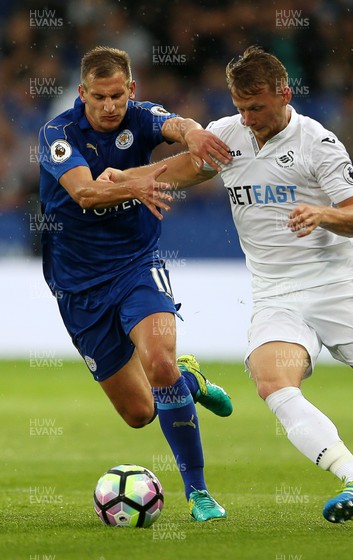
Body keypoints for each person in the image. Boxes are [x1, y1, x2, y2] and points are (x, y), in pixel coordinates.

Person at [100, 47, 353, 524]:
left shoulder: (317, 143)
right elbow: (172, 172)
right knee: (272, 382)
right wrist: (119, 179)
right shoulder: (226, 136)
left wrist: (324, 213)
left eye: (256, 107)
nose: (248, 117)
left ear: (285, 93)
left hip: (338, 286)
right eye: (240, 106)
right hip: (276, 294)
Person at [38, 46, 233, 522]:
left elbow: (177, 128)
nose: (110, 106)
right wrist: (133, 183)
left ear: (132, 90)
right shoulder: (57, 134)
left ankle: (198, 493)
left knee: (158, 361)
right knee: (139, 413)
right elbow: (84, 191)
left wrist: (194, 132)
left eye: (118, 96)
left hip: (136, 265)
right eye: (99, 97)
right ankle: (191, 381)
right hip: (78, 287)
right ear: (82, 93)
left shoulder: (140, 117)